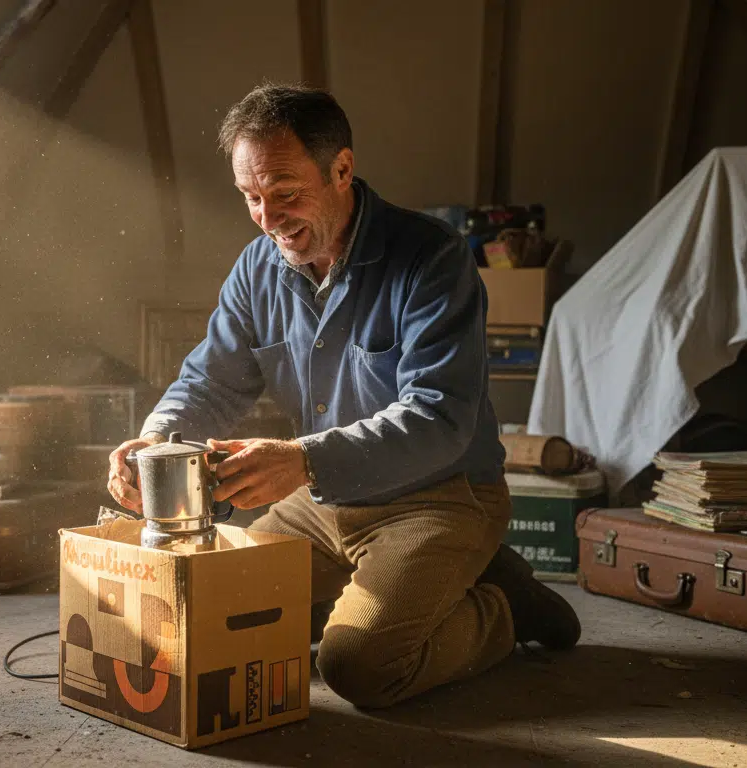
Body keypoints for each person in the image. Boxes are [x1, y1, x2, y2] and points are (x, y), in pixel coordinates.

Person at [107, 83, 580, 709]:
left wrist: (302, 460)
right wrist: (156, 439)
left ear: (342, 170)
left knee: (358, 665)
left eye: (285, 193)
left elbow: (440, 418)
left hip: (438, 498)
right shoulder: (257, 268)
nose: (268, 220)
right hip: (322, 502)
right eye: (251, 198)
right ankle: (455, 576)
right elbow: (210, 381)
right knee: (218, 621)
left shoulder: (432, 258)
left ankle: (502, 607)